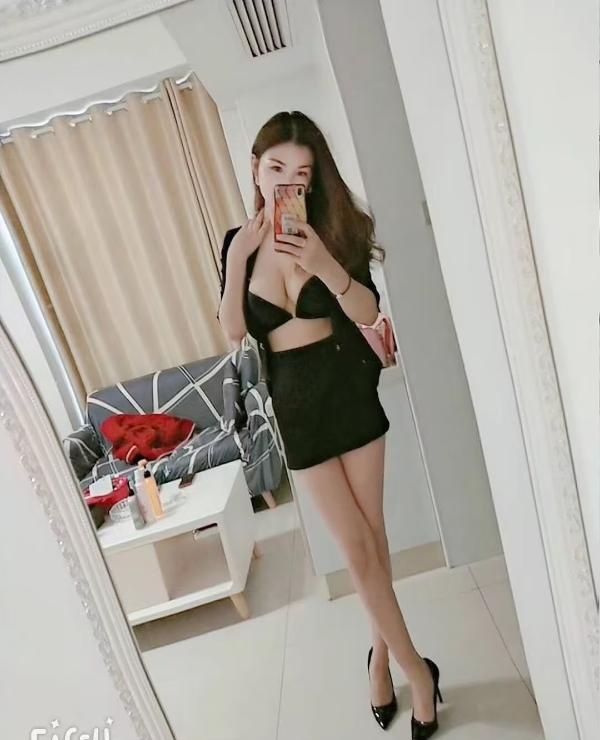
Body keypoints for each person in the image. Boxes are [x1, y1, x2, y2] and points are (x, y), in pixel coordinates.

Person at [218, 111, 442, 737]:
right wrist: (236, 262)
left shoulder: (334, 230)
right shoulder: (238, 242)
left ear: (314, 180)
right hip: (296, 407)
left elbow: (367, 312)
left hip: (347, 387)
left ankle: (387, 664)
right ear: (256, 169)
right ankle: (414, 669)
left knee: (371, 539)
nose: (286, 182)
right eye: (275, 168)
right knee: (356, 547)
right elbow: (234, 331)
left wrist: (323, 263)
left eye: (301, 172)